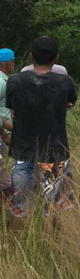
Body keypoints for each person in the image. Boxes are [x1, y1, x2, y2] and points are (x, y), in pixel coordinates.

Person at [6, 37, 77, 218]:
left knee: (19, 199)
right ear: (56, 58)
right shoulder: (65, 82)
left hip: (23, 145)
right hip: (55, 145)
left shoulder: (14, 81)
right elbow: (70, 104)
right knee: (56, 203)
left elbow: (12, 108)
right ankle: (52, 232)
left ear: (31, 56)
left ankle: (19, 225)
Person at [0, 48, 15, 197]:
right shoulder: (1, 82)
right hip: (2, 134)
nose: (14, 65)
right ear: (8, 63)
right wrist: (5, 132)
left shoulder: (5, 80)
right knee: (4, 181)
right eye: (13, 62)